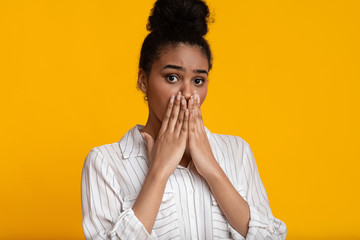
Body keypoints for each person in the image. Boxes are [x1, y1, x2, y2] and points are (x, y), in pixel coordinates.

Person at [81, 0, 287, 239]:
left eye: (198, 80)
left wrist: (211, 168)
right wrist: (158, 172)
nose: (188, 93)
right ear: (143, 80)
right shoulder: (106, 163)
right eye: (172, 77)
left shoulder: (237, 151)